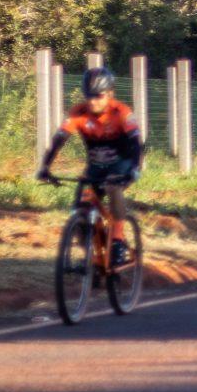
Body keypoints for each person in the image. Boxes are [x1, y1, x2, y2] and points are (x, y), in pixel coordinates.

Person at [37, 66, 142, 267]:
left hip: (123, 164)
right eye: (89, 96)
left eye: (99, 96)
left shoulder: (121, 112)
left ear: (110, 94)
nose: (93, 101)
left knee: (112, 187)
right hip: (96, 166)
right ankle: (90, 256)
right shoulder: (78, 112)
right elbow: (59, 139)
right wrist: (45, 166)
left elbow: (136, 142)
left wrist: (135, 168)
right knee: (79, 208)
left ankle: (118, 241)